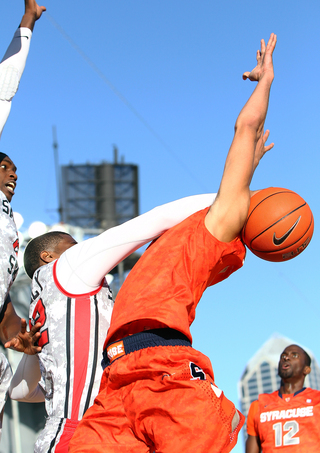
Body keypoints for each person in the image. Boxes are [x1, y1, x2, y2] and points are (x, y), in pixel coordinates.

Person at [68, 33, 277, 453]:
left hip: (167, 371)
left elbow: (245, 128)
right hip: (118, 381)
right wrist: (248, 168)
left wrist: (265, 82)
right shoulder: (183, 236)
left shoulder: (217, 228)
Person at [8, 192, 218, 453]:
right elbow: (155, 220)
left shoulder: (47, 307)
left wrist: (32, 356)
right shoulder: (69, 268)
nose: (84, 248)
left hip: (93, 432)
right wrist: (230, 199)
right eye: (74, 245)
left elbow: (20, 392)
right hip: (80, 433)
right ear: (49, 257)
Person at [0, 0, 45, 438]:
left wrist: (16, 332)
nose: (13, 172)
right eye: (4, 165)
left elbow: (0, 308)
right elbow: (3, 90)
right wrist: (27, 23)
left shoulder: (9, 224)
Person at [245, 344, 320, 453]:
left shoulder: (317, 400)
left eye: (294, 355)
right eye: (283, 356)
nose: (286, 357)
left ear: (306, 369)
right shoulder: (259, 405)